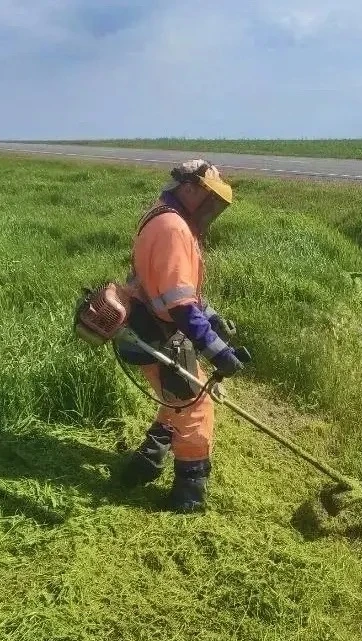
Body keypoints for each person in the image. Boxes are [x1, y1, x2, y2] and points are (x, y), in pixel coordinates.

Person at [113, 159, 247, 513]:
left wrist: (213, 318)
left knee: (179, 396)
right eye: (209, 198)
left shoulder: (163, 214)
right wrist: (219, 353)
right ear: (189, 188)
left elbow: (175, 289)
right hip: (154, 334)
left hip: (149, 325)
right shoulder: (173, 228)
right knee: (196, 404)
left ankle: (147, 460)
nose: (212, 208)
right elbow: (181, 306)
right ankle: (188, 492)